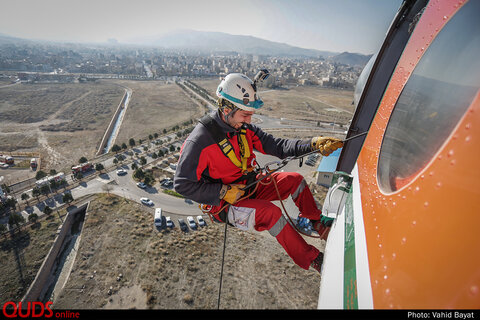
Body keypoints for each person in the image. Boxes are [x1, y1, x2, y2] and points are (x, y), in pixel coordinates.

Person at [174, 72, 343, 273]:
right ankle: (314, 259)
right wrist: (222, 192)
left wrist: (312, 144)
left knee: (295, 180)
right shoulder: (200, 141)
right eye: (245, 114)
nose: (249, 119)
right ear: (226, 109)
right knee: (271, 214)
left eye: (250, 114)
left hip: (250, 186)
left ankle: (319, 224)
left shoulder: (244, 129)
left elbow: (278, 146)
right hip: (227, 203)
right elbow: (182, 184)